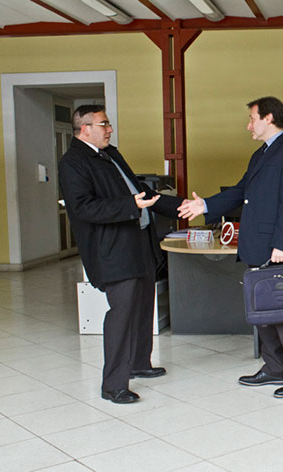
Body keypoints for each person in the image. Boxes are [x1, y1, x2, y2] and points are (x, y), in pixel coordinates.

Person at [178, 96, 283, 398]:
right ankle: (274, 368)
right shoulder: (261, 155)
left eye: (252, 119)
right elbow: (242, 191)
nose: (248, 126)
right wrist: (204, 205)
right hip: (257, 243)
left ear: (269, 118)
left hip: (276, 247)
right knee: (263, 310)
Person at [59, 105, 184, 404]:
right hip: (112, 249)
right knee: (122, 313)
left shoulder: (111, 154)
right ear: (84, 128)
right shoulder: (73, 162)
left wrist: (183, 207)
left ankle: (140, 363)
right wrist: (131, 205)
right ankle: (113, 384)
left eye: (108, 123)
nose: (109, 129)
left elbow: (141, 192)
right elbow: (83, 208)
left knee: (143, 305)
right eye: (104, 124)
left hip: (138, 241)